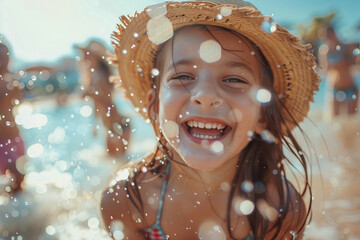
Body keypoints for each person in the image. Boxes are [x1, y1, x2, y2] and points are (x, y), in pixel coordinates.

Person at [101, 0, 320, 239]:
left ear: (263, 114)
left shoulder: (280, 212)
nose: (205, 96)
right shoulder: (127, 200)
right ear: (155, 105)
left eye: (235, 79)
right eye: (183, 76)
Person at [75, 40, 131, 157]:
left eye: (87, 53)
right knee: (116, 164)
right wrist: (95, 125)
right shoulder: (94, 77)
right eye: (84, 54)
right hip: (115, 127)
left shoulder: (99, 77)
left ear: (95, 56)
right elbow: (97, 105)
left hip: (117, 127)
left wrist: (91, 93)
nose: (84, 57)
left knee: (117, 164)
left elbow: (106, 102)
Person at [0, 42, 26, 194]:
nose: (3, 59)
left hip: (15, 135)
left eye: (6, 56)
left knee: (20, 178)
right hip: (1, 139)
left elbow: (18, 103)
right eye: (0, 56)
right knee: (15, 177)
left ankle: (20, 212)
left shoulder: (13, 80)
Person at [318, 23, 358, 116]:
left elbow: (355, 63)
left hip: (350, 87)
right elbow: (324, 70)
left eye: (329, 33)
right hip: (334, 89)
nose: (328, 36)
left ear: (334, 33)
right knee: (334, 120)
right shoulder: (324, 50)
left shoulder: (346, 46)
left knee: (350, 119)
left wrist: (344, 63)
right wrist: (332, 66)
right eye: (325, 35)